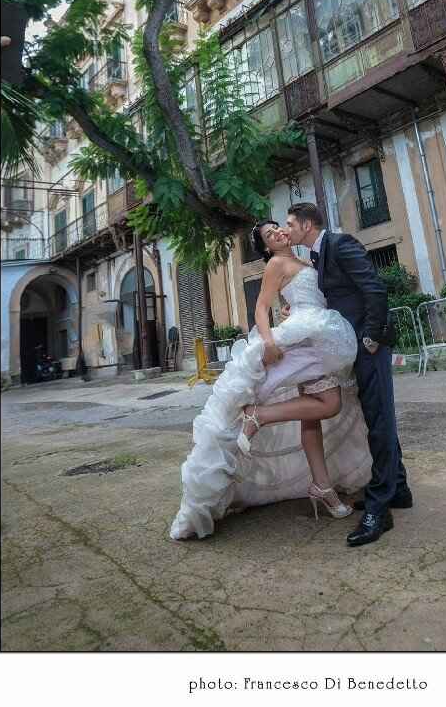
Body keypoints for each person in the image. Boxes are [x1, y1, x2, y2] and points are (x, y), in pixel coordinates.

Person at [170, 221, 372, 540]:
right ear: (266, 247)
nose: (277, 232)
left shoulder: (305, 259)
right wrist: (269, 342)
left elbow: (300, 297)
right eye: (269, 235)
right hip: (304, 338)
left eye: (277, 227)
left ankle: (322, 487)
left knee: (315, 417)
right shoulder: (277, 262)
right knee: (329, 404)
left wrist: (294, 309)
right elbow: (262, 307)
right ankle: (258, 416)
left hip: (316, 334)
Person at [286, 203, 412, 547]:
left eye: (290, 223)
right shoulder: (318, 255)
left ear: (307, 225)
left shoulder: (340, 244)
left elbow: (374, 288)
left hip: (369, 344)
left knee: (380, 420)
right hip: (353, 346)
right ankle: (398, 489)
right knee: (377, 417)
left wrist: (370, 337)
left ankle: (379, 507)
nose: (287, 229)